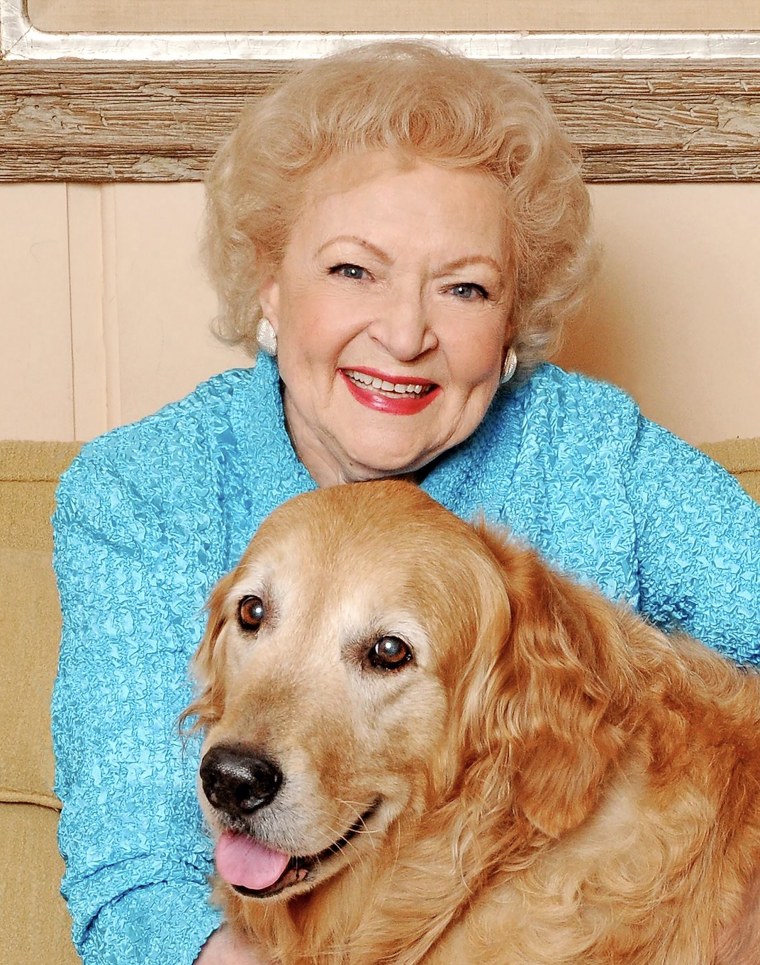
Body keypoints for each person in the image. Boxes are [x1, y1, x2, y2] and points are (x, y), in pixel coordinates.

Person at [52, 40, 760, 965]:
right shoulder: (143, 489)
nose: (404, 332)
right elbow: (135, 886)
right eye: (354, 270)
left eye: (464, 287)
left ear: (511, 325)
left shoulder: (589, 447)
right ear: (270, 281)